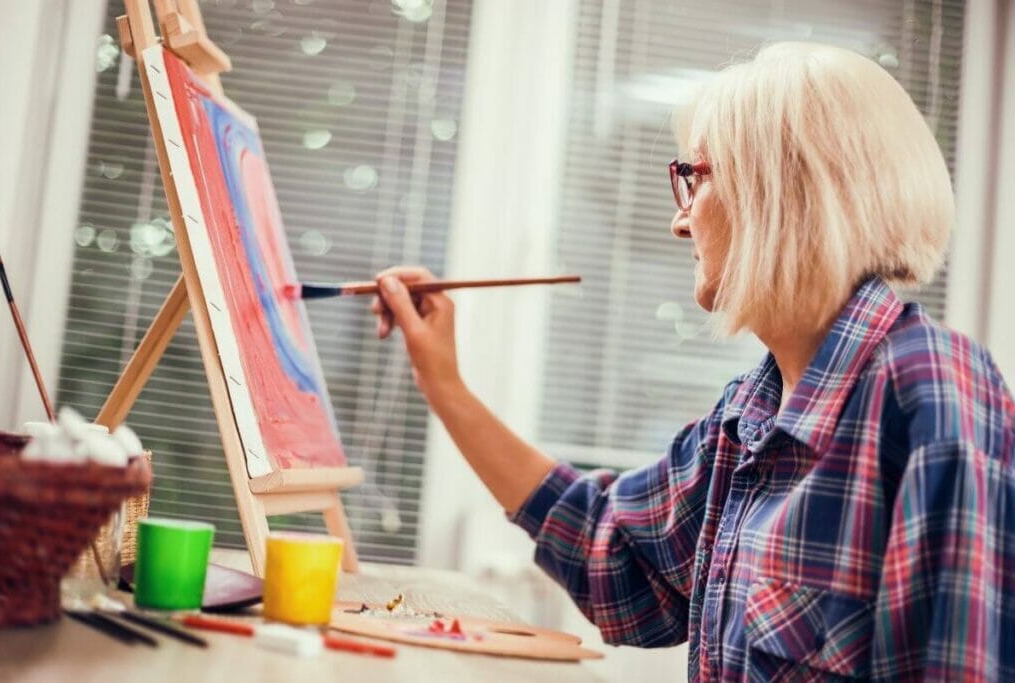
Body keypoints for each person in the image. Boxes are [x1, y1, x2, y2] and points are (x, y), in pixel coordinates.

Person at [369, 42, 1014, 681]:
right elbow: (615, 558)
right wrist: (443, 382)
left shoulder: (932, 390)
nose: (680, 222)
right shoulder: (749, 410)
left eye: (695, 178)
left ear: (779, 190)